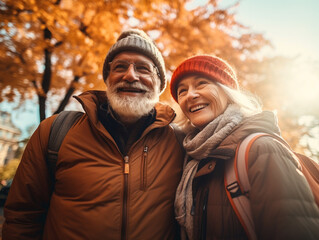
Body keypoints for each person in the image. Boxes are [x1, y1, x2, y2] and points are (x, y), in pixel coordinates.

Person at [2, 29, 184, 240]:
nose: (131, 75)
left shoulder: (180, 142)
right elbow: (22, 218)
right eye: (120, 67)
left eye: (143, 68)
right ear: (108, 80)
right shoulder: (54, 132)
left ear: (159, 84)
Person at [169, 55, 319, 240]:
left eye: (201, 84)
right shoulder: (191, 158)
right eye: (182, 91)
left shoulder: (262, 149)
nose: (190, 95)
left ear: (227, 92)